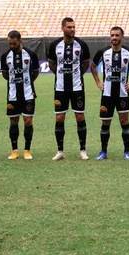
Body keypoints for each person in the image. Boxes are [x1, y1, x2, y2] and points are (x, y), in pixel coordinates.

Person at [91, 27, 129, 160]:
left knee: (124, 122)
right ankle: (103, 152)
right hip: (107, 94)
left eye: (117, 35)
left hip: (123, 94)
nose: (114, 38)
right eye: (112, 35)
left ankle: (127, 151)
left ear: (122, 37)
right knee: (105, 123)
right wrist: (98, 82)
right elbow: (93, 66)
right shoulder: (103, 52)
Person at [47, 17, 91, 161]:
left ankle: (83, 150)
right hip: (60, 88)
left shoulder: (82, 45)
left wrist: (76, 75)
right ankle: (60, 151)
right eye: (69, 27)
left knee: (80, 116)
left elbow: (85, 65)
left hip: (77, 87)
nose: (72, 29)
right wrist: (61, 75)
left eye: (73, 27)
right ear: (63, 28)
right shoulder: (55, 45)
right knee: (59, 117)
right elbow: (52, 64)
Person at [0, 31, 39, 160]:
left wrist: (27, 82)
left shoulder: (30, 54)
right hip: (12, 95)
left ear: (20, 41)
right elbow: (5, 74)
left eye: (14, 43)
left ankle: (27, 150)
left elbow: (35, 72)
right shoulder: (5, 55)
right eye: (10, 43)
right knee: (13, 121)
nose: (11, 46)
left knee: (28, 121)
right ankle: (14, 150)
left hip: (28, 94)